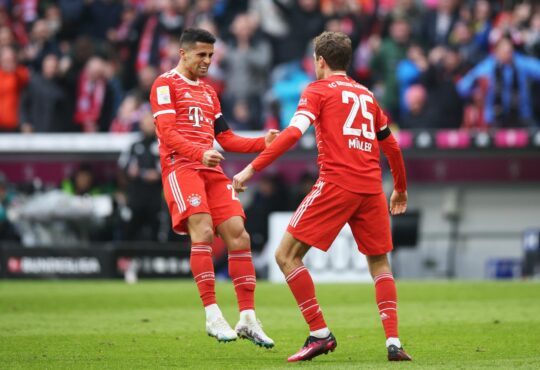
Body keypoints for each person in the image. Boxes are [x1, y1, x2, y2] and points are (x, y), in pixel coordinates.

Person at [233, 31, 412, 362]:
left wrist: (250, 169)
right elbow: (393, 146)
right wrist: (399, 188)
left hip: (337, 184)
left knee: (285, 256)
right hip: (371, 188)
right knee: (379, 263)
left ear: (321, 61)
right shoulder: (367, 95)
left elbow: (291, 134)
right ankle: (393, 342)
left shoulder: (317, 91)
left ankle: (320, 333)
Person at [149, 28, 278, 347]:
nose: (207, 61)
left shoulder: (209, 92)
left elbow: (227, 138)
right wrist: (198, 152)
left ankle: (247, 317)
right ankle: (212, 314)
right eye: (201, 55)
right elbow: (166, 133)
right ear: (183, 54)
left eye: (211, 55)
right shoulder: (165, 84)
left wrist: (263, 141)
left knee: (239, 234)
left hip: (210, 169)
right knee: (204, 231)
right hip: (182, 168)